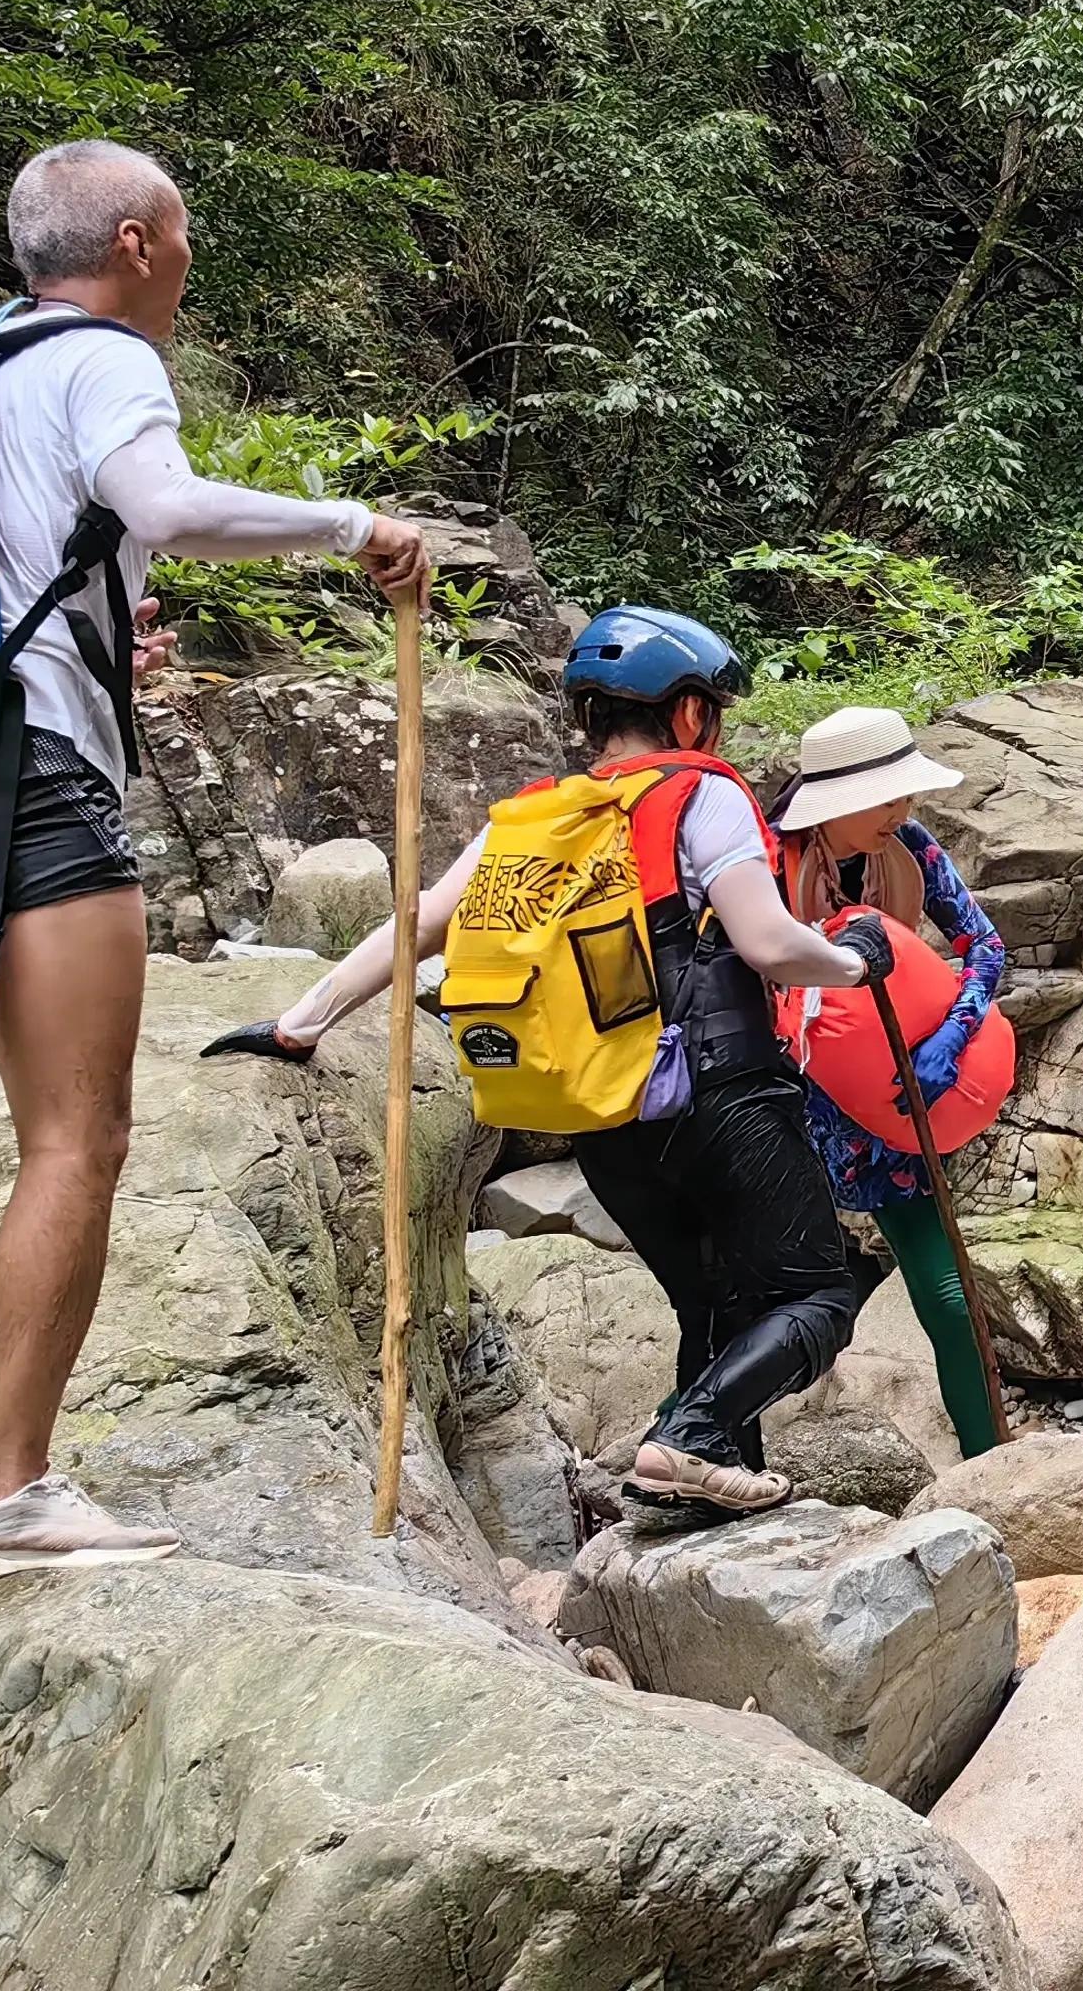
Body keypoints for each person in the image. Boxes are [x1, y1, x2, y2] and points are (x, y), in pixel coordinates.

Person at [0, 142, 431, 1607]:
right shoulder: (99, 358)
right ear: (131, 240)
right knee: (76, 1141)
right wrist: (350, 526)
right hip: (30, 786)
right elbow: (163, 506)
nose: (186, 260)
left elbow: (3, 573)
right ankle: (2, 1490)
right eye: (181, 236)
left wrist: (112, 640)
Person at [216, 607, 894, 1518]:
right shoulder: (702, 792)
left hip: (599, 1122)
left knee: (716, 1312)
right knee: (819, 1295)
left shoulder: (529, 822)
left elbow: (420, 923)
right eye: (713, 710)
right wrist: (856, 960)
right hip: (719, 1101)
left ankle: (698, 1497)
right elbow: (769, 946)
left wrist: (303, 1019)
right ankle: (687, 1439)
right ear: (689, 715)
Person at [764, 703, 1009, 1455]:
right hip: (792, 1110)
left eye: (907, 795)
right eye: (888, 797)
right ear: (834, 802)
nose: (904, 810)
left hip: (901, 1094)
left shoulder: (906, 847)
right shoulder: (762, 865)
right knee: (767, 1297)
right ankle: (686, 1439)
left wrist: (952, 1034)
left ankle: (990, 1467)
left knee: (947, 1294)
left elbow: (986, 945)